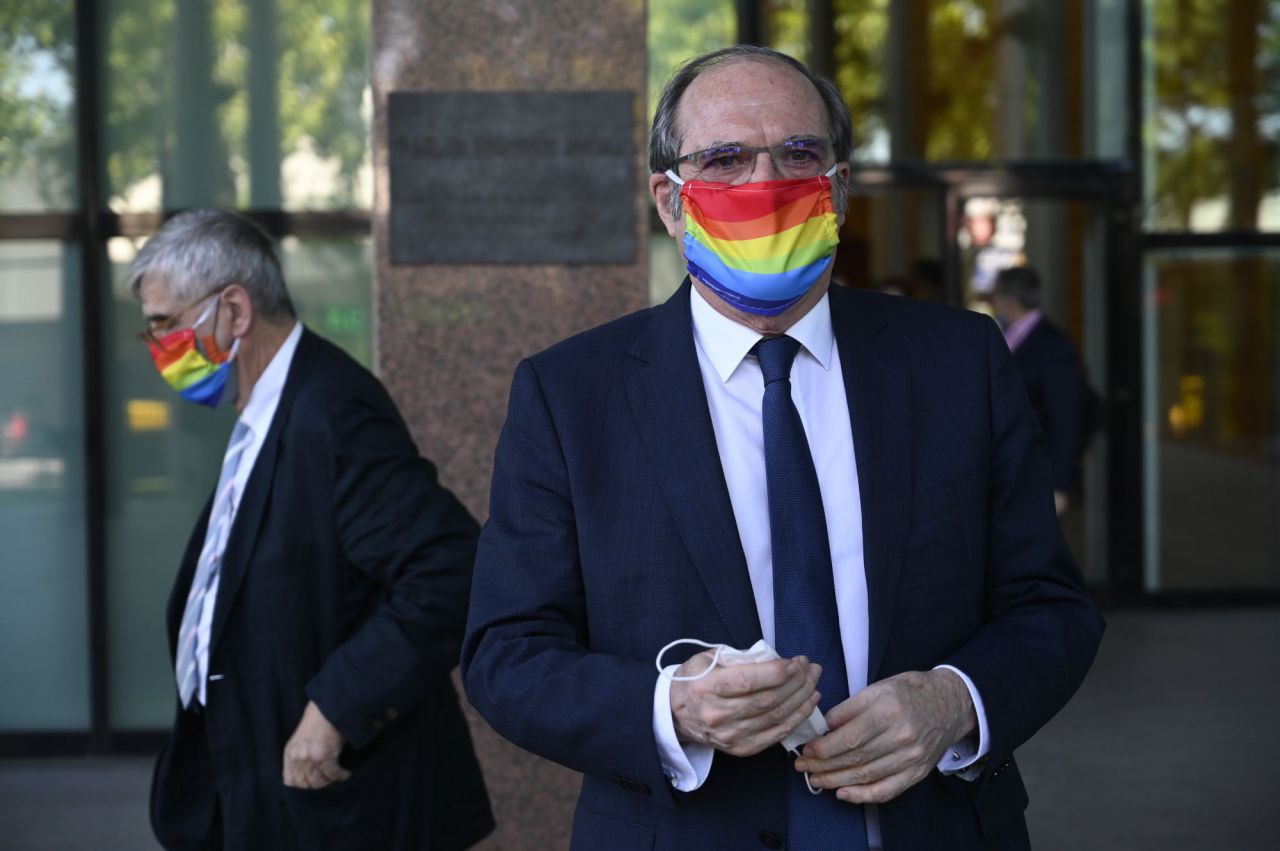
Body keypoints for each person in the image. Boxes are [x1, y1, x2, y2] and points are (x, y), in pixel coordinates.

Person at [462, 46, 1103, 850]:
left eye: (800, 153)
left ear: (837, 188)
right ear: (670, 202)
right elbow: (506, 653)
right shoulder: (571, 395)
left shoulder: (959, 363)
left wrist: (956, 701)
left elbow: (1051, 605)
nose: (764, 184)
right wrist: (671, 709)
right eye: (724, 159)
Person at [133, 209, 493, 851]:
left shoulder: (333, 409)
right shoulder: (268, 411)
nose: (159, 347)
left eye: (166, 324)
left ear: (234, 311)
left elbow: (452, 571)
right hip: (254, 785)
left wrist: (334, 709)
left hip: (341, 803)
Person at [991, 265, 1090, 516]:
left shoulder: (1053, 345)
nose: (993, 301)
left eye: (996, 294)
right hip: (1012, 472)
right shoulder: (1008, 336)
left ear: (1010, 300)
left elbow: (1065, 417)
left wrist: (1059, 486)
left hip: (1038, 475)